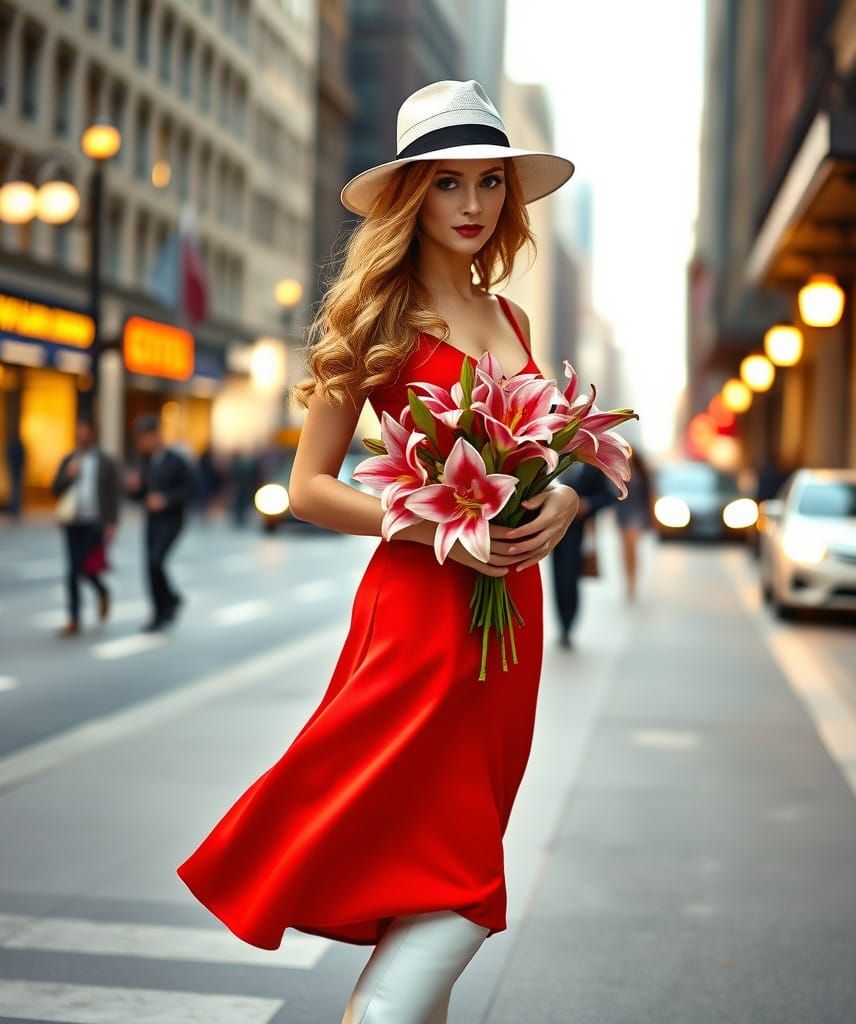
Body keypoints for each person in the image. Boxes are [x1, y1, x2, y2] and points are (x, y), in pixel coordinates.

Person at [176, 80, 580, 1022]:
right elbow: (311, 486)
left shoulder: (514, 321)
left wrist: (561, 498)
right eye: (447, 184)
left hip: (510, 618)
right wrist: (434, 523)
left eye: (489, 183)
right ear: (412, 197)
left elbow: (543, 453)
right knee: (461, 874)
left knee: (441, 865)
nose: (474, 206)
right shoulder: (375, 323)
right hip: (420, 617)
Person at [123, 412, 198, 631]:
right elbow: (140, 496)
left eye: (144, 438)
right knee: (150, 566)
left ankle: (171, 601)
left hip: (172, 521)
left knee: (156, 561)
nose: (141, 444)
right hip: (152, 521)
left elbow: (192, 489)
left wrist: (166, 499)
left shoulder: (176, 461)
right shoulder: (143, 463)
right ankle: (160, 611)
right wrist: (133, 490)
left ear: (155, 436)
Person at [50, 417, 121, 636]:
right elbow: (55, 488)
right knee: (72, 571)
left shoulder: (105, 461)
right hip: (73, 522)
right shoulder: (70, 459)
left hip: (95, 523)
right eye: (78, 430)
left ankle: (102, 591)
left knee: (86, 568)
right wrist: (68, 475)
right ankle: (74, 618)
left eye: (85, 430)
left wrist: (112, 523)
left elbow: (112, 494)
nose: (81, 435)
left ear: (93, 433)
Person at [551, 462, 618, 648]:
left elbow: (607, 496)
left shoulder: (593, 466)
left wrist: (587, 505)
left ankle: (568, 626)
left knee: (569, 578)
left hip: (577, 534)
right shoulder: (556, 458)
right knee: (557, 580)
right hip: (552, 532)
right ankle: (562, 624)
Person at [615, 447, 654, 602]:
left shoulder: (643, 473)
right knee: (624, 551)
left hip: (637, 514)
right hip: (623, 514)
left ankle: (633, 580)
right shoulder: (619, 471)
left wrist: (652, 517)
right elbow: (615, 495)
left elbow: (650, 495)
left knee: (632, 548)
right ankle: (628, 579)